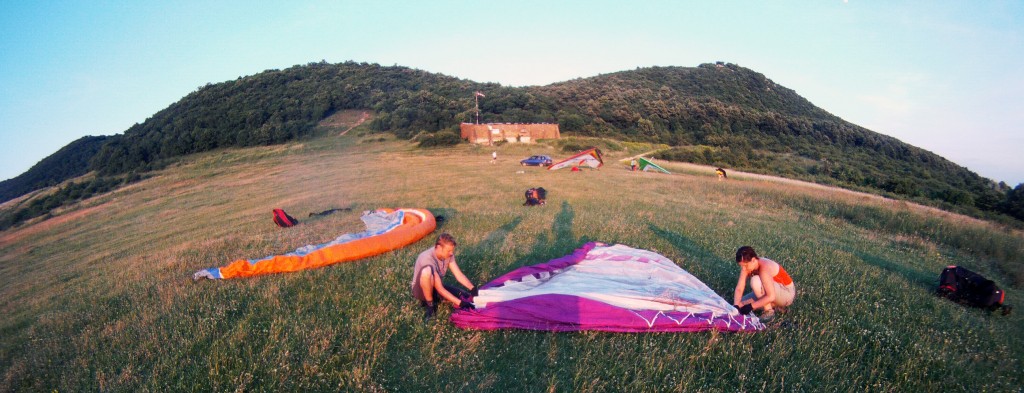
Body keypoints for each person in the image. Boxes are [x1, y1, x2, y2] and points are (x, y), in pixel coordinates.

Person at [410, 233, 476, 320]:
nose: (451, 253)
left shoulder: (448, 256)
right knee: (427, 271)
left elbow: (458, 275)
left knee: (464, 295)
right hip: (420, 290)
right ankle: (430, 305)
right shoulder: (427, 258)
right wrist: (461, 303)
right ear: (439, 247)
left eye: (452, 250)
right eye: (448, 251)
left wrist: (473, 288)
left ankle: (436, 299)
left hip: (435, 287)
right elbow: (440, 288)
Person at [732, 246, 795, 321]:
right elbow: (740, 288)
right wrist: (736, 306)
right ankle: (775, 306)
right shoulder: (748, 266)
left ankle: (769, 312)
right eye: (742, 266)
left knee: (755, 281)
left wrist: (751, 306)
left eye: (745, 265)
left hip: (786, 292)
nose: (744, 269)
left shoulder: (764, 267)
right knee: (740, 305)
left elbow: (771, 296)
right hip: (772, 291)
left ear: (753, 260)